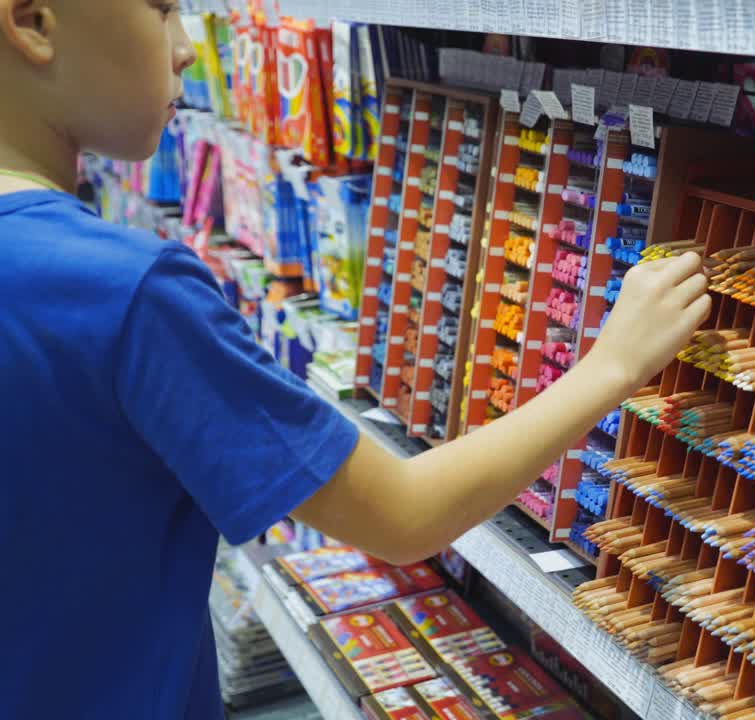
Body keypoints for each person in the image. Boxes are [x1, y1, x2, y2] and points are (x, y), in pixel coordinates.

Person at [0, 1, 710, 716]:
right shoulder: (128, 294)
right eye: (161, 10)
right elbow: (401, 517)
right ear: (33, 22)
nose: (187, 47)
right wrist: (613, 364)